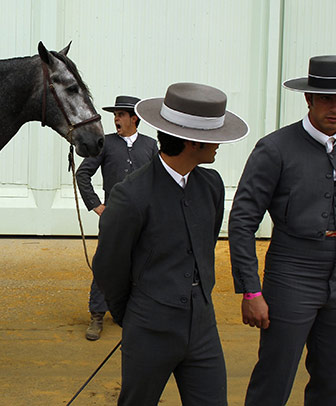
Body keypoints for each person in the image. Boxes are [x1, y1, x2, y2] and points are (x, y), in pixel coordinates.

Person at [228, 55, 336, 405]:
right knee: (274, 377)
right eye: (327, 99)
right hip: (290, 274)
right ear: (308, 99)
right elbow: (242, 220)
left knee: (332, 380)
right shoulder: (275, 148)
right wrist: (251, 291)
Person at [93, 82, 248, 405]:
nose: (218, 146)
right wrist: (135, 316)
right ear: (193, 142)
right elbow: (108, 266)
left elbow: (204, 247)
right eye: (213, 139)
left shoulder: (211, 186)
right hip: (150, 327)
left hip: (203, 326)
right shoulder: (131, 195)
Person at [76, 95, 158, 341]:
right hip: (113, 218)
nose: (116, 119)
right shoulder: (106, 144)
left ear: (134, 119)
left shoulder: (150, 146)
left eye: (120, 115)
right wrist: (97, 206)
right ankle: (97, 315)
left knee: (143, 265)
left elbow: (160, 181)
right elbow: (83, 174)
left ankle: (134, 313)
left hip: (144, 220)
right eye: (115, 115)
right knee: (106, 264)